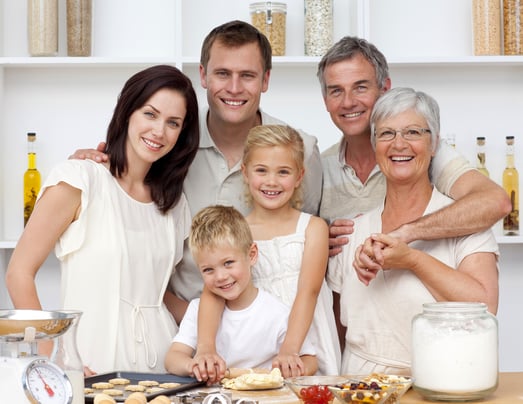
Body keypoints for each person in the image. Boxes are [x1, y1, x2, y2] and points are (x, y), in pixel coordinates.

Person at [69, 20, 323, 306]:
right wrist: (92, 164)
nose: (235, 88)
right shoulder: (169, 142)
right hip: (178, 323)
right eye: (223, 74)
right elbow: (126, 203)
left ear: (265, 80)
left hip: (269, 329)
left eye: (248, 75)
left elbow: (310, 241)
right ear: (203, 75)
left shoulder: (302, 150)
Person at [5, 65, 200, 374]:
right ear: (126, 112)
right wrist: (55, 354)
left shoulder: (173, 204)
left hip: (164, 372)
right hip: (90, 367)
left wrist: (224, 321)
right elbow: (19, 272)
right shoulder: (79, 179)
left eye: (173, 123)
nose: (159, 131)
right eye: (150, 114)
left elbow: (153, 290)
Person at [327, 87, 499, 376]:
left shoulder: (466, 224)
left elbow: (485, 308)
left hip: (442, 383)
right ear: (375, 146)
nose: (399, 144)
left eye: (413, 133)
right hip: (360, 386)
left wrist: (413, 260)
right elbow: (337, 329)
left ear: (434, 145)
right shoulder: (351, 231)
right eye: (386, 134)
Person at [317, 36, 511, 261]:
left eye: (360, 87)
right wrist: (315, 238)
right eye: (336, 91)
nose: (348, 102)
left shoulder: (420, 153)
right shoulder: (320, 166)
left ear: (385, 89)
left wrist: (406, 232)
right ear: (325, 100)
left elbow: (496, 202)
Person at [193, 125, 339, 383]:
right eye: (261, 170)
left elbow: (309, 291)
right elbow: (213, 291)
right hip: (256, 345)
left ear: (299, 176)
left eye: (283, 172)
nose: (272, 181)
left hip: (302, 343)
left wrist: (289, 351)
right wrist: (205, 347)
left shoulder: (313, 228)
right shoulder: (235, 229)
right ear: (245, 173)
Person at [165, 205, 318, 380]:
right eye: (208, 270)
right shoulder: (197, 310)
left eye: (229, 262)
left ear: (252, 255)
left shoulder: (277, 313)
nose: (221, 276)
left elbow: (310, 360)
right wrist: (193, 365)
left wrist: (293, 367)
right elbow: (172, 358)